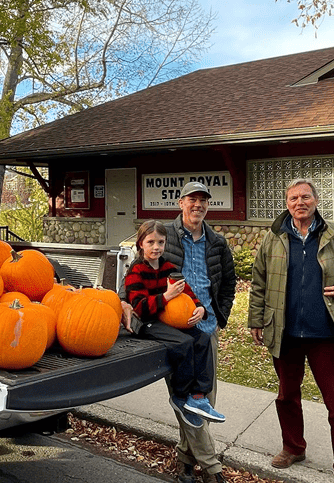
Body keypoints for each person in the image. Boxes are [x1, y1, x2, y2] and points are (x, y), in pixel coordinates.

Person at [247, 179, 334, 483]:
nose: (300, 202)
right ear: (287, 204)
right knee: (286, 397)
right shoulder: (274, 239)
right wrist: (256, 320)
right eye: (294, 198)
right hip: (286, 334)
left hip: (327, 336)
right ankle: (293, 448)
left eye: (305, 197)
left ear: (316, 200)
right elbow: (259, 283)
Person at [120, 181, 236, 483]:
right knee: (184, 398)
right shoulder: (163, 236)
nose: (197, 205)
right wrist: (124, 302)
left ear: (208, 205)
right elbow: (136, 273)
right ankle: (212, 468)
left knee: (202, 400)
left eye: (203, 200)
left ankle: (185, 459)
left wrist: (218, 315)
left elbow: (228, 284)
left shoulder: (217, 242)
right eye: (192, 199)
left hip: (205, 327)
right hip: (168, 327)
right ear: (181, 202)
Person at [124, 220, 225, 430]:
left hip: (168, 320)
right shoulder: (137, 271)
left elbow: (187, 291)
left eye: (160, 242)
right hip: (147, 323)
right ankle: (180, 396)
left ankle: (198, 396)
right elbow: (140, 308)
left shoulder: (169, 268)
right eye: (150, 242)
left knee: (203, 338)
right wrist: (166, 296)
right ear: (141, 243)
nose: (156, 247)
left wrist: (199, 308)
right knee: (183, 342)